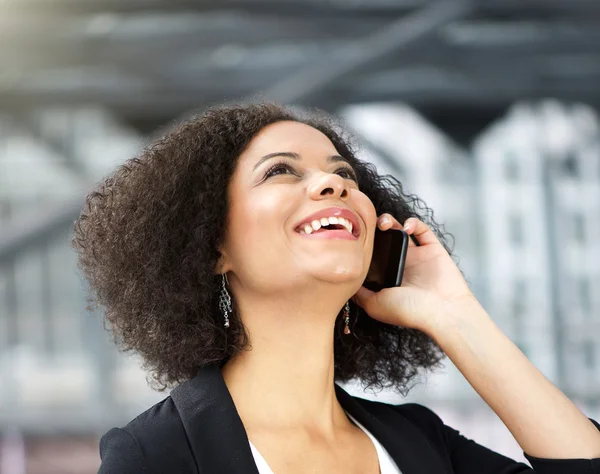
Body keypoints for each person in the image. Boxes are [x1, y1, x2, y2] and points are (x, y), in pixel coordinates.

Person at [72, 103, 600, 474]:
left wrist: (454, 315)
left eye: (342, 172)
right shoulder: (158, 455)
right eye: (280, 171)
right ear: (210, 246)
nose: (335, 185)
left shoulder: (419, 442)